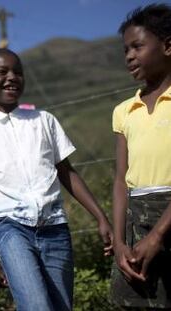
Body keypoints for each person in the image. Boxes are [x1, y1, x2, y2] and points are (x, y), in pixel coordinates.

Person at [0, 48, 113, 311]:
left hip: (55, 226)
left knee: (62, 307)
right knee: (37, 306)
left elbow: (67, 172)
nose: (12, 77)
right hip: (10, 226)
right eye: (2, 72)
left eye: (18, 72)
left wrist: (100, 217)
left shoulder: (44, 121)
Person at [111, 4, 171, 309]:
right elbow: (121, 180)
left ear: (168, 46)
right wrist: (121, 241)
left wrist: (159, 235)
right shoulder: (124, 112)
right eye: (125, 50)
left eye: (137, 46)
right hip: (136, 216)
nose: (129, 56)